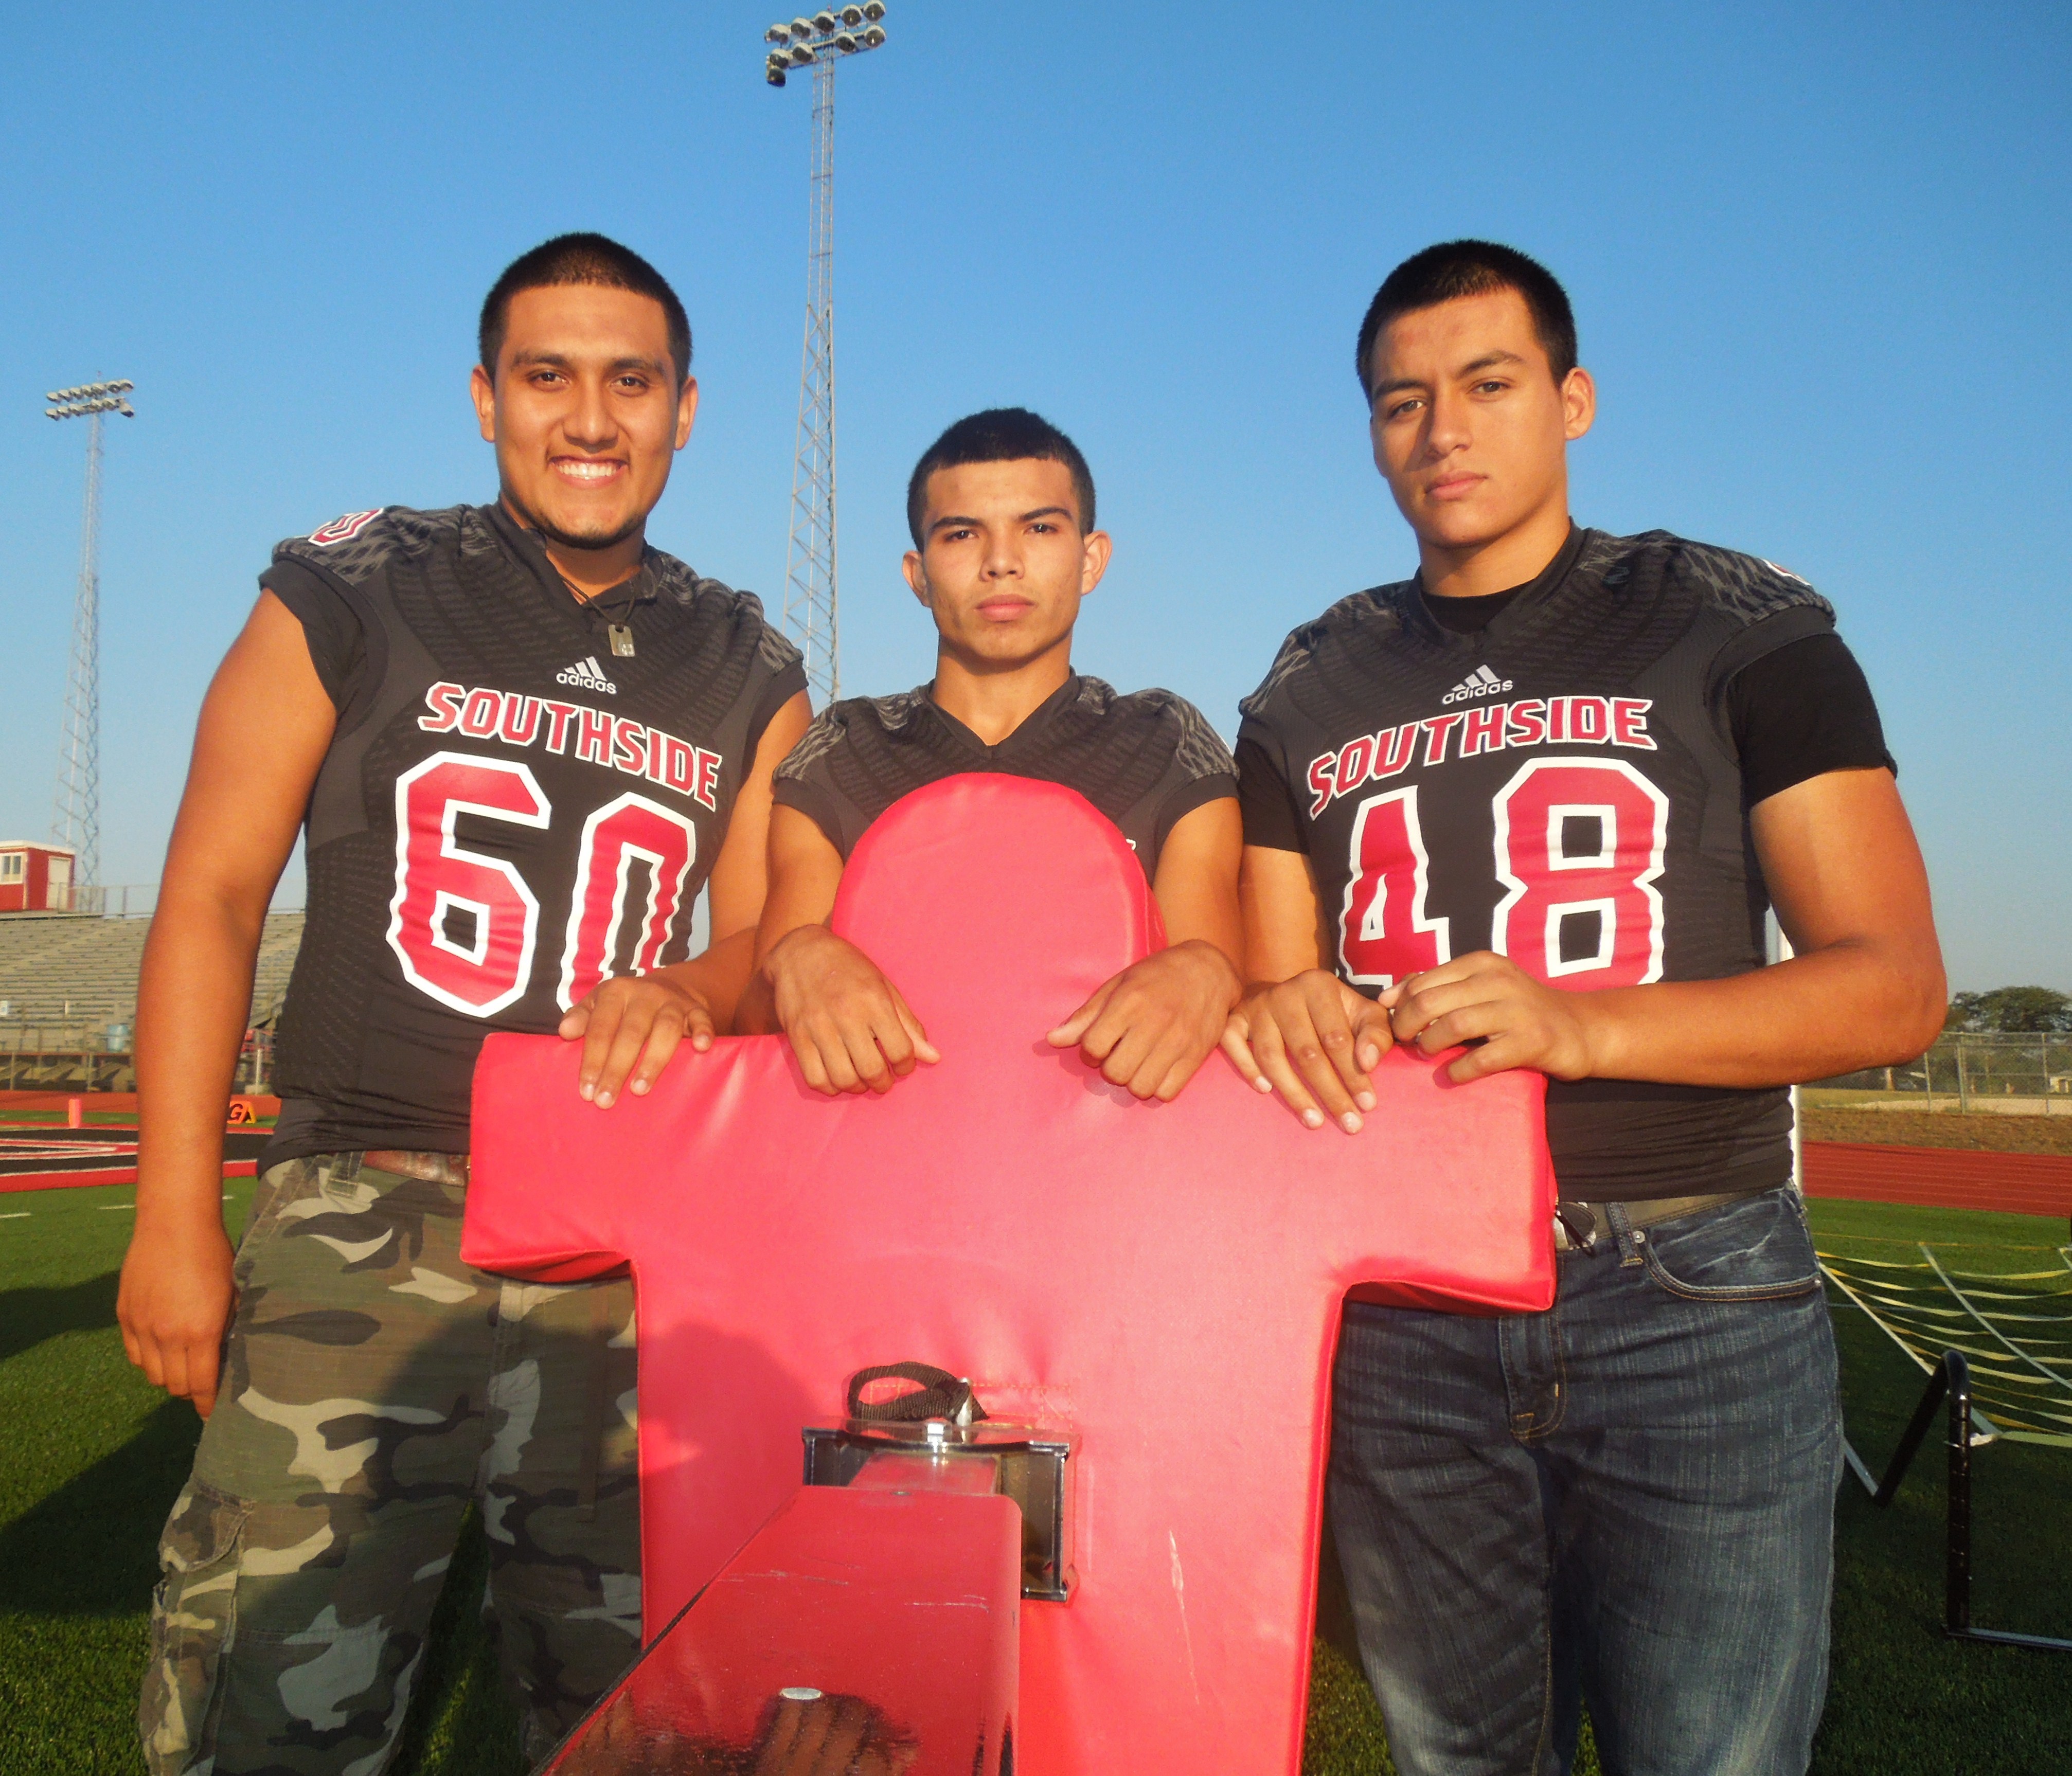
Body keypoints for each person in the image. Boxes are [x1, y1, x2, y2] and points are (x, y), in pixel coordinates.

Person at [1225, 241, 1944, 1774]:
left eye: (1485, 385)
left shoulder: (1727, 617)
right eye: (1400, 401)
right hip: (1410, 1303)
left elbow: (1891, 986)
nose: (1441, 432)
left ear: (1572, 399)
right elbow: (1277, 987)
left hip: (1687, 1277)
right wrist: (1276, 1010)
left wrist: (1585, 1025)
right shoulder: (1308, 681)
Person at [118, 232, 811, 1773]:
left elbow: (774, 930)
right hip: (362, 1206)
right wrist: (175, 1207)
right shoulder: (357, 585)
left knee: (648, 1703)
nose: (589, 417)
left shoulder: (746, 657)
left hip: (623, 1244)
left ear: (684, 408)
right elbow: (216, 888)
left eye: (629, 381)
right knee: (271, 1703)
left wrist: (687, 986)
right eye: (547, 375)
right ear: (484, 396)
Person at [744, 407, 1242, 1102]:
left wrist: (1209, 975)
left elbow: (1219, 1003)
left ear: (1091, 557)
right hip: (882, 1175)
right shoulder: (845, 750)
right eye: (961, 533)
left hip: (1112, 1178)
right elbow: (758, 1024)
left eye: (1039, 528)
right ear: (917, 574)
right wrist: (795, 961)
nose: (1001, 560)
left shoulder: (1165, 743)